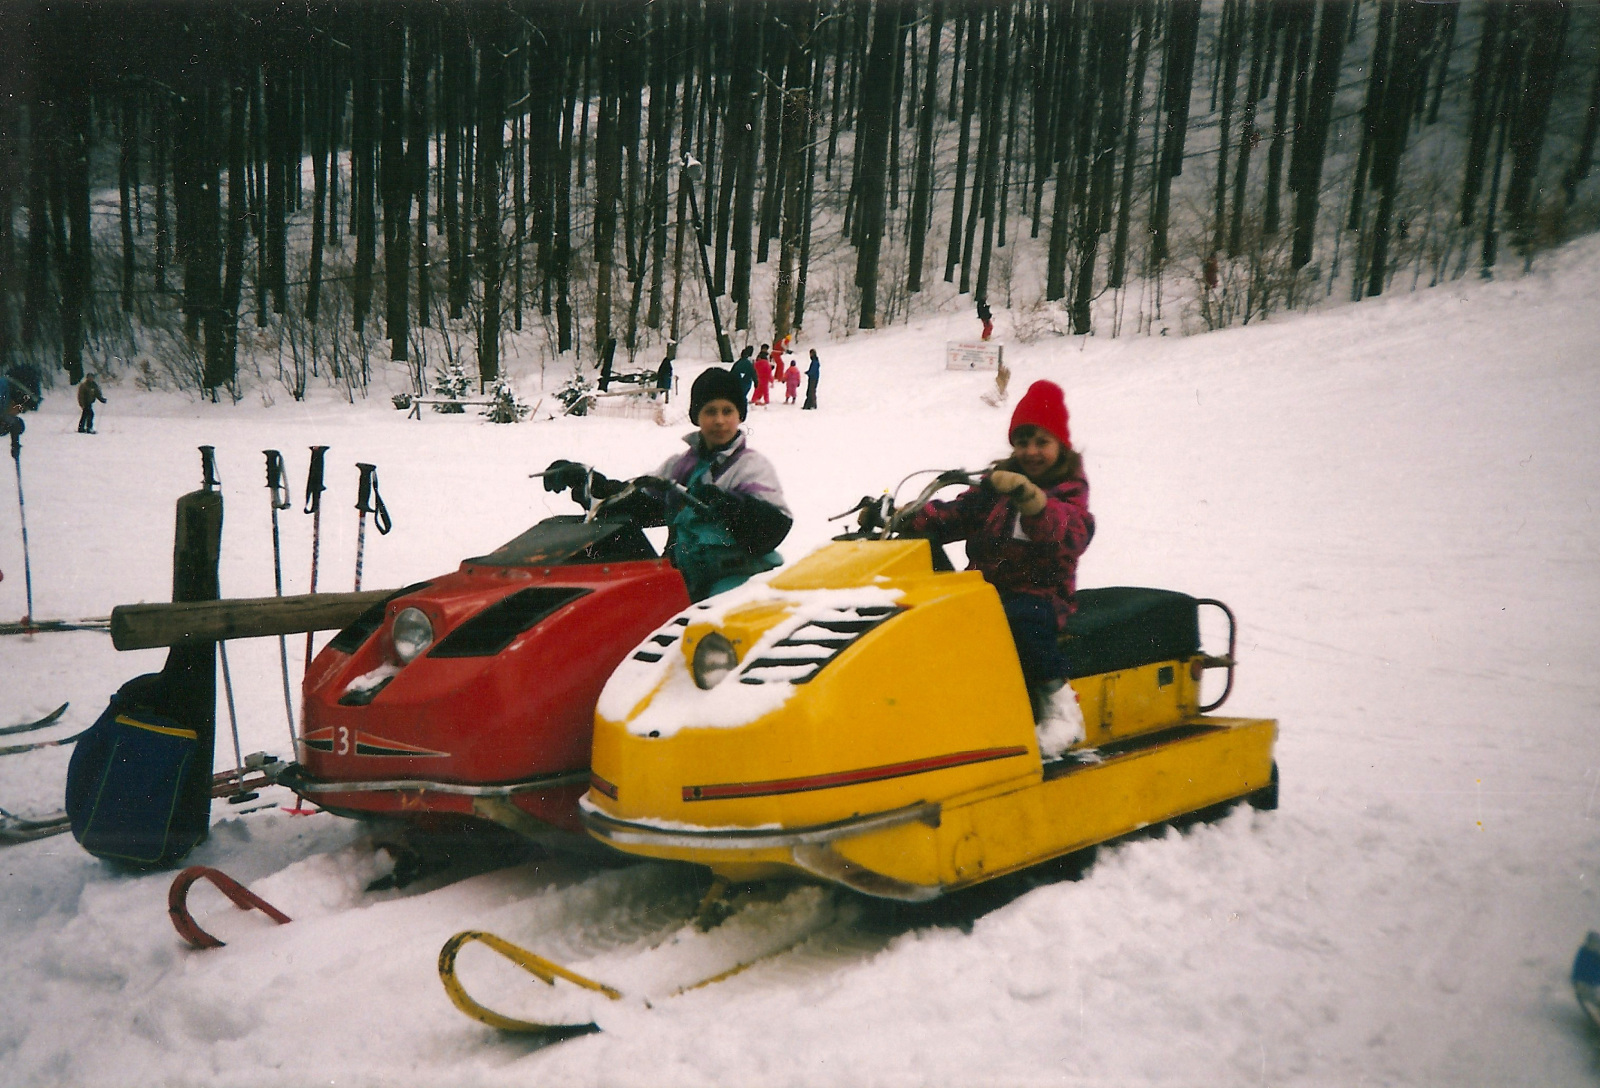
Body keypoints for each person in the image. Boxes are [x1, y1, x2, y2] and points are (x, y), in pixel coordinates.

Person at [905, 380, 1093, 744]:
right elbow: (956, 514)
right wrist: (907, 516)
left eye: (1042, 442)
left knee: (1023, 617)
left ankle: (1060, 708)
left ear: (1061, 445)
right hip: (984, 590)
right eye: (1023, 442)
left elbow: (1070, 531)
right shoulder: (996, 484)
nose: (1031, 452)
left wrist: (1030, 498)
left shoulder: (1068, 489)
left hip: (1042, 595)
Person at [543, 367, 792, 602]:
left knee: (707, 622)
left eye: (727, 411)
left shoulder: (751, 467)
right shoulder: (681, 466)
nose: (719, 420)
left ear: (740, 415)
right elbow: (636, 502)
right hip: (686, 577)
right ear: (697, 416)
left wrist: (729, 506)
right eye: (710, 411)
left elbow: (774, 527)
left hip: (737, 577)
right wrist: (588, 481)